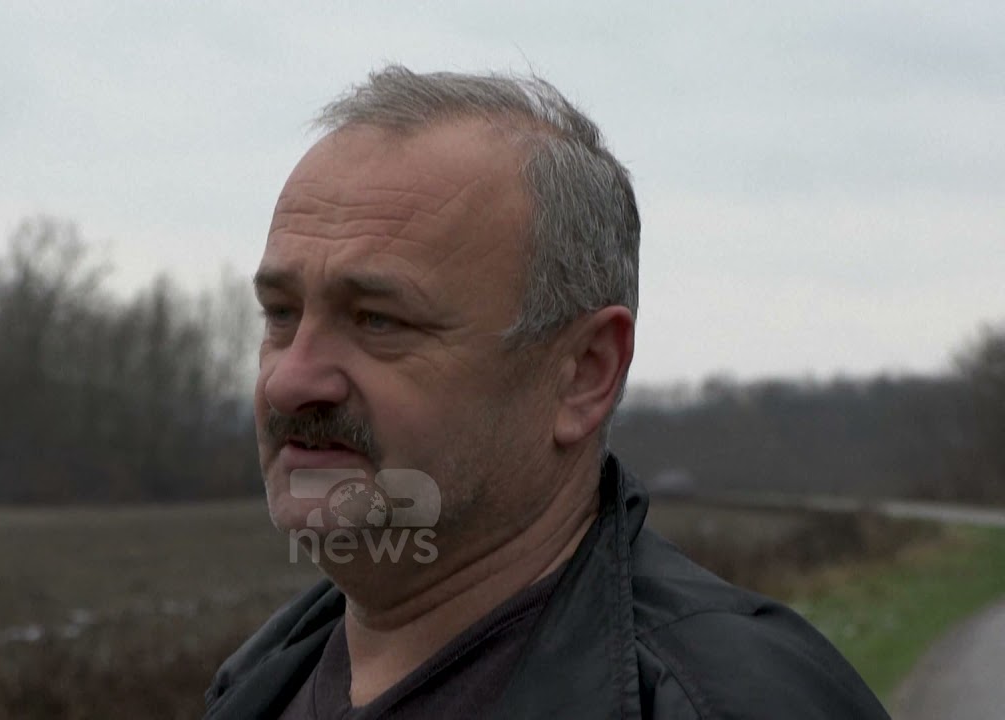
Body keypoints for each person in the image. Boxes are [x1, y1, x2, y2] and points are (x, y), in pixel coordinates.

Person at [205, 65, 890, 720]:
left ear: (583, 373)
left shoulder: (727, 704)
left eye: (378, 320)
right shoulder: (256, 682)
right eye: (281, 314)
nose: (289, 380)